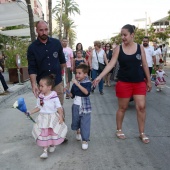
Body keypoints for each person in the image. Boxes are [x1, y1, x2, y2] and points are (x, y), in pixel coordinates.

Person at [93, 24, 151, 144]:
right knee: (123, 108)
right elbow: (110, 64)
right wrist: (99, 77)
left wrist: (149, 80)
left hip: (139, 81)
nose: (123, 37)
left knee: (141, 107)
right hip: (124, 82)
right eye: (121, 35)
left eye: (125, 35)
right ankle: (119, 129)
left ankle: (142, 132)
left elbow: (145, 64)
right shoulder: (118, 48)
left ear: (132, 35)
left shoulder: (140, 48)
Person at [27, 74, 68, 159]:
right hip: (43, 118)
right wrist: (30, 112)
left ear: (49, 87)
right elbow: (38, 107)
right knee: (43, 133)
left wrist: (61, 116)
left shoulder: (54, 96)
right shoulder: (40, 97)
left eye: (42, 86)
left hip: (52, 117)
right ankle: (45, 150)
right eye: (39, 85)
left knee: (52, 132)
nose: (40, 88)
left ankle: (52, 144)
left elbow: (59, 107)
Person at [27, 20, 66, 107]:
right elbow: (32, 68)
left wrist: (65, 80)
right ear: (36, 30)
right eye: (41, 30)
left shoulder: (56, 43)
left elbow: (62, 62)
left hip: (57, 83)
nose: (44, 32)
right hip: (42, 86)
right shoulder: (32, 48)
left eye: (46, 29)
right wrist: (33, 84)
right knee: (45, 110)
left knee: (59, 110)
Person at [65, 64, 91, 150]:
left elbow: (86, 92)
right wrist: (67, 91)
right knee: (76, 120)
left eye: (79, 73)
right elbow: (72, 95)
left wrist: (78, 84)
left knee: (85, 123)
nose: (77, 75)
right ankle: (78, 131)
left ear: (85, 74)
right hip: (76, 105)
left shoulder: (87, 83)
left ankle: (85, 140)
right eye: (76, 73)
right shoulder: (75, 84)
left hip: (85, 106)